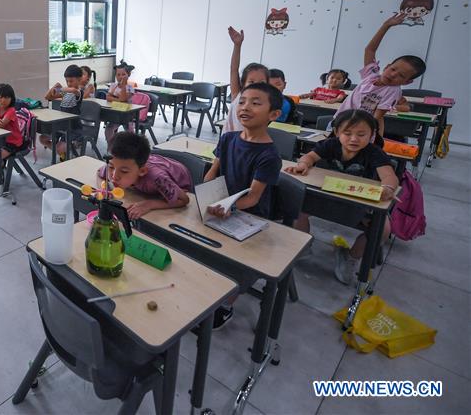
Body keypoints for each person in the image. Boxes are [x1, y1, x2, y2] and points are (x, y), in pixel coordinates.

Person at [284, 109, 397, 284]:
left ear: (372, 135)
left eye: (361, 134)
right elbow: (310, 156)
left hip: (358, 203)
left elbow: (389, 176)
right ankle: (302, 243)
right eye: (347, 133)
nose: (354, 139)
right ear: (337, 132)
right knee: (296, 207)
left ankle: (351, 257)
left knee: (384, 229)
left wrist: (388, 187)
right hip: (326, 197)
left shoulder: (374, 153)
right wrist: (303, 164)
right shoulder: (330, 145)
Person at [205, 82, 283, 328]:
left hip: (251, 217)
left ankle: (225, 305)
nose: (245, 107)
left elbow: (253, 197)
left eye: (256, 103)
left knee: (236, 267)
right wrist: (205, 195)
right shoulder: (228, 138)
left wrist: (230, 207)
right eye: (242, 101)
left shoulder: (269, 155)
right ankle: (207, 288)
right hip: (221, 208)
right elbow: (212, 173)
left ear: (274, 115)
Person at [334, 12, 426, 136]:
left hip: (359, 132)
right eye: (393, 69)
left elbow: (376, 117)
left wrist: (359, 134)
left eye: (401, 76)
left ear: (407, 82)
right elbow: (370, 50)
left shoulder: (392, 91)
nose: (393, 75)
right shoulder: (370, 75)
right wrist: (386, 26)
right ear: (387, 66)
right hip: (340, 122)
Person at [97, 132, 191, 219]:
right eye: (111, 167)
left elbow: (184, 200)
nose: (114, 176)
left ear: (142, 171)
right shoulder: (117, 164)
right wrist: (105, 188)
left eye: (124, 171)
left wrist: (149, 204)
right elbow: (99, 175)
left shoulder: (156, 178)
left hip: (179, 181)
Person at [223, 27, 270, 133]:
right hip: (228, 143)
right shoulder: (237, 96)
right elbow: (234, 69)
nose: (256, 86)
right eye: (251, 82)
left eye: (261, 82)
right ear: (243, 83)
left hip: (248, 144)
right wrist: (237, 46)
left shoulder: (264, 103)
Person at [41, 64, 85, 158]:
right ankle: (64, 152)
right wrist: (54, 87)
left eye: (71, 81)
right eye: (67, 81)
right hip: (61, 124)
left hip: (73, 127)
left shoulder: (79, 92)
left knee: (60, 148)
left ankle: (65, 151)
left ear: (79, 80)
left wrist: (58, 89)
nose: (69, 83)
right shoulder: (65, 92)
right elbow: (47, 97)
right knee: (42, 139)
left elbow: (73, 90)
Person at [104, 62, 135, 143]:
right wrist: (119, 101)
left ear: (128, 75)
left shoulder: (130, 88)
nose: (121, 77)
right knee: (108, 130)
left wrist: (124, 86)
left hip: (127, 115)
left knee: (130, 134)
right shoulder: (113, 85)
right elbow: (108, 97)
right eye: (118, 74)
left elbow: (123, 98)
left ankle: (132, 149)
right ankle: (111, 148)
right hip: (116, 114)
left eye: (123, 74)